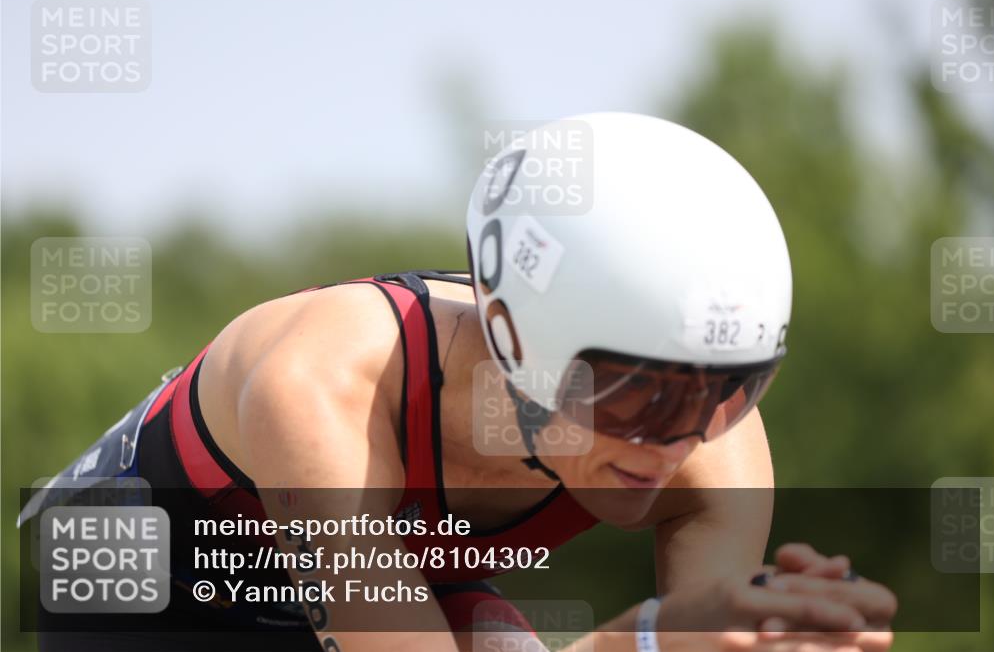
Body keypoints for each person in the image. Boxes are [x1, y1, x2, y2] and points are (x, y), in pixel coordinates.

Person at [26, 112, 895, 652]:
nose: (674, 439)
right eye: (636, 392)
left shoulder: (716, 444)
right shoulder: (323, 382)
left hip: (391, 581)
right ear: (519, 339)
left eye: (733, 388)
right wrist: (652, 636)